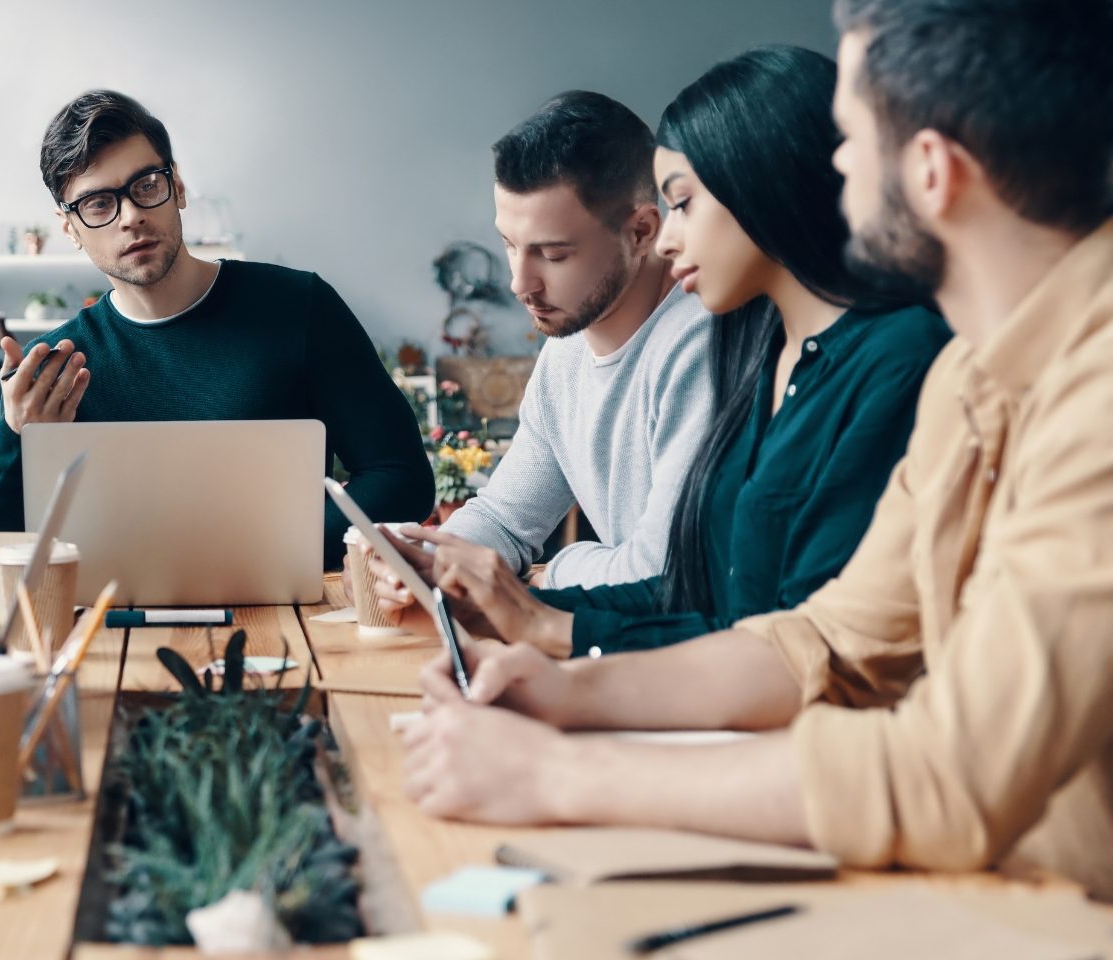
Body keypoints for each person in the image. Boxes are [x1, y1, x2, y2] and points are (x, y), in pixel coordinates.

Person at [398, 0, 1113, 899]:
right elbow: (828, 639)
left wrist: (556, 774)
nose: (833, 163)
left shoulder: (1092, 394)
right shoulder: (975, 373)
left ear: (931, 171)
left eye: (850, 138)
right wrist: (566, 693)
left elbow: (953, 776)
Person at [368, 47, 950, 659]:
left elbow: (723, 607)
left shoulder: (737, 341)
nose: (520, 283)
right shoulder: (777, 354)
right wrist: (448, 567)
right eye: (509, 246)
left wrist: (543, 586)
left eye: (684, 204)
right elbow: (737, 614)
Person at [0, 89, 433, 569]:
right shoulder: (60, 365)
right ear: (69, 228)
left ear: (179, 187)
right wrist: (16, 432)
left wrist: (267, 552)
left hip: (288, 614)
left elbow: (401, 478)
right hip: (118, 628)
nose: (131, 217)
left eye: (146, 185)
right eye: (98, 204)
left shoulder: (299, 307)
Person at [403, 92, 717, 591]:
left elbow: (666, 573)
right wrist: (428, 560)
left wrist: (560, 570)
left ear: (640, 232)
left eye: (552, 254)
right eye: (509, 245)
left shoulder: (700, 347)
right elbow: (507, 517)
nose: (520, 284)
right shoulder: (565, 351)